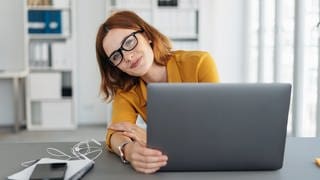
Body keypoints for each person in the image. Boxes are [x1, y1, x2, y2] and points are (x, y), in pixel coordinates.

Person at [96, 10, 219, 174]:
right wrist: (129, 150)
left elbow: (214, 128)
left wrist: (152, 138)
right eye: (116, 56)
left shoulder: (199, 64)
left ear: (146, 35)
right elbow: (114, 134)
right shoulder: (127, 90)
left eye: (129, 42)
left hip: (208, 163)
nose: (128, 57)